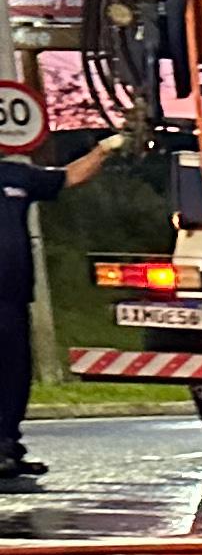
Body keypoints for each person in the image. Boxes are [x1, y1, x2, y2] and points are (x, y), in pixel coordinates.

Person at [0, 122, 126, 490]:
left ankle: (7, 445)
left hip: (11, 295)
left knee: (13, 372)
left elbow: (68, 177)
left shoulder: (14, 175)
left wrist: (106, 149)